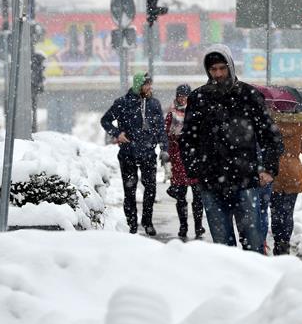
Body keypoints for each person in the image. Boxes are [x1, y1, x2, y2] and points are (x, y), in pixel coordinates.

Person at [179, 44, 284, 253]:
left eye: (222, 68)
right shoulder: (199, 98)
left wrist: (269, 169)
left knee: (253, 244)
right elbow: (188, 139)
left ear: (231, 67)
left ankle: (254, 283)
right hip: (211, 181)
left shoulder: (249, 95)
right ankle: (228, 284)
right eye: (213, 69)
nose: (218, 74)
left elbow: (270, 136)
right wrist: (196, 170)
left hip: (245, 180)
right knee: (222, 248)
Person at [100, 71, 167, 235]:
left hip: (148, 153)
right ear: (138, 85)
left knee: (150, 189)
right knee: (129, 190)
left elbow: (160, 128)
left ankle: (147, 221)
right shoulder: (123, 103)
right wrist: (117, 134)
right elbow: (105, 120)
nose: (149, 87)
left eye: (150, 84)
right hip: (128, 153)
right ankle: (132, 223)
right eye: (146, 84)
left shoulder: (154, 104)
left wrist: (164, 147)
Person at [164, 84, 206, 242]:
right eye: (180, 95)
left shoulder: (196, 112)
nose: (182, 98)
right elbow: (166, 133)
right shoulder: (171, 113)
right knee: (180, 196)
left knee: (198, 196)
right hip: (178, 158)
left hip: (193, 159)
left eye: (185, 95)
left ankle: (198, 226)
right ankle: (183, 226)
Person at [269, 109, 302, 256]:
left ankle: (278, 243)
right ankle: (284, 243)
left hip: (275, 170)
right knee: (288, 212)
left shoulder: (272, 123)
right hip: (294, 171)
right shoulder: (301, 124)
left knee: (275, 211)